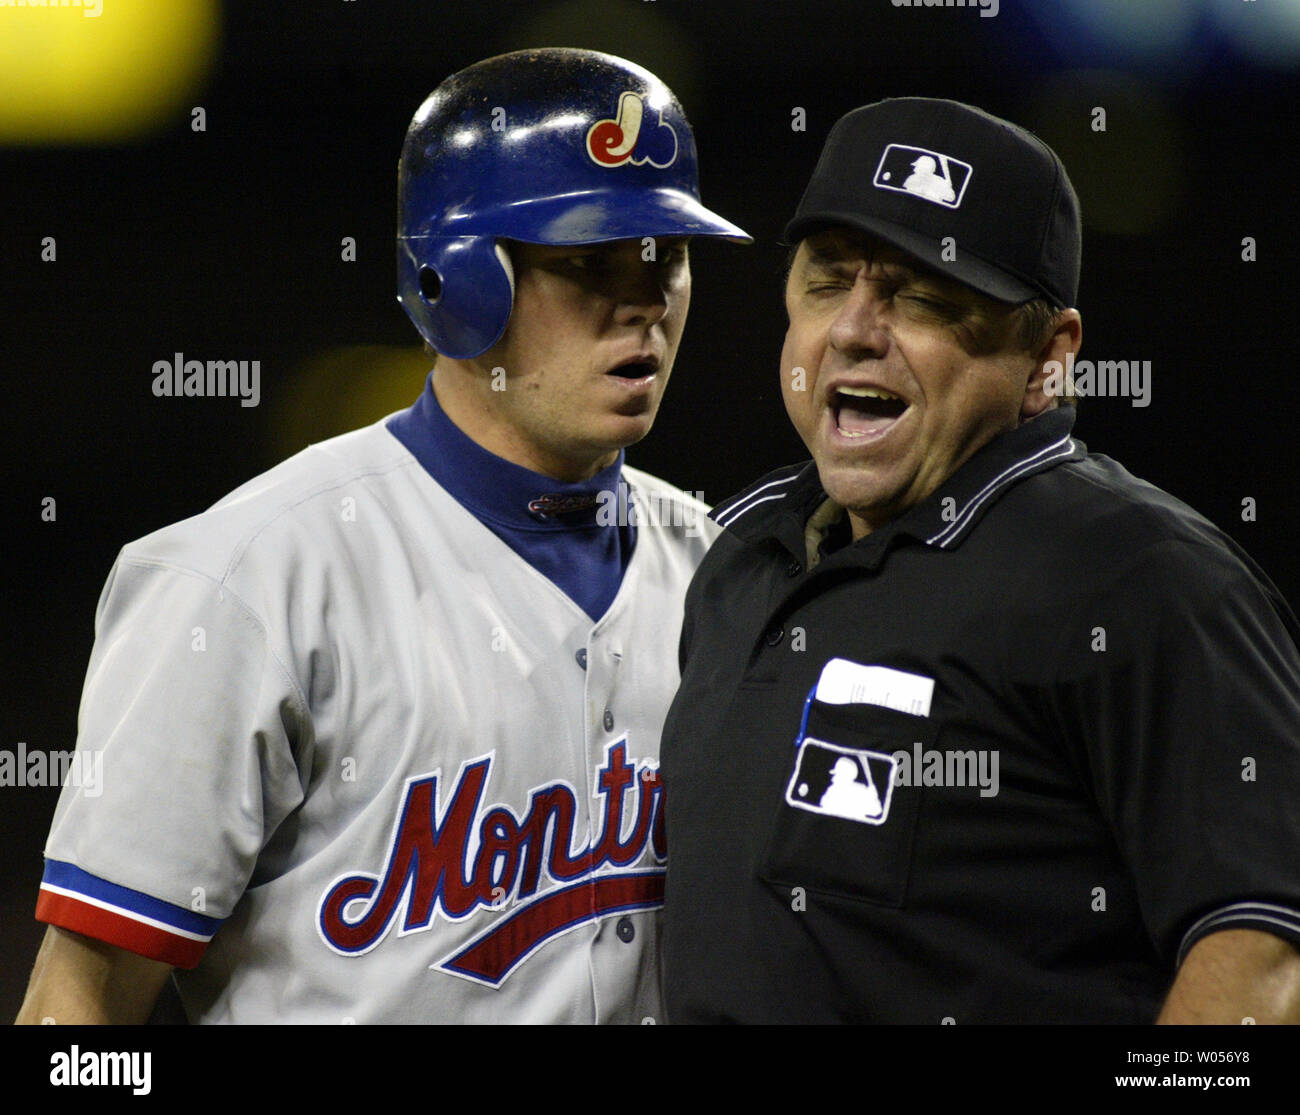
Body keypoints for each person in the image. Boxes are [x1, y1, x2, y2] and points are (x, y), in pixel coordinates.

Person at [17, 47, 749, 1025]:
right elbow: (77, 1011)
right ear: (456, 276)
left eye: (666, 256)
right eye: (587, 263)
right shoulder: (250, 575)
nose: (645, 304)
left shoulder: (721, 568)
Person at [659, 96, 1300, 1024]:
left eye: (922, 296)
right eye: (828, 281)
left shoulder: (1139, 576)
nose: (854, 329)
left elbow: (1268, 958)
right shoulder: (741, 551)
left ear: (1049, 357)